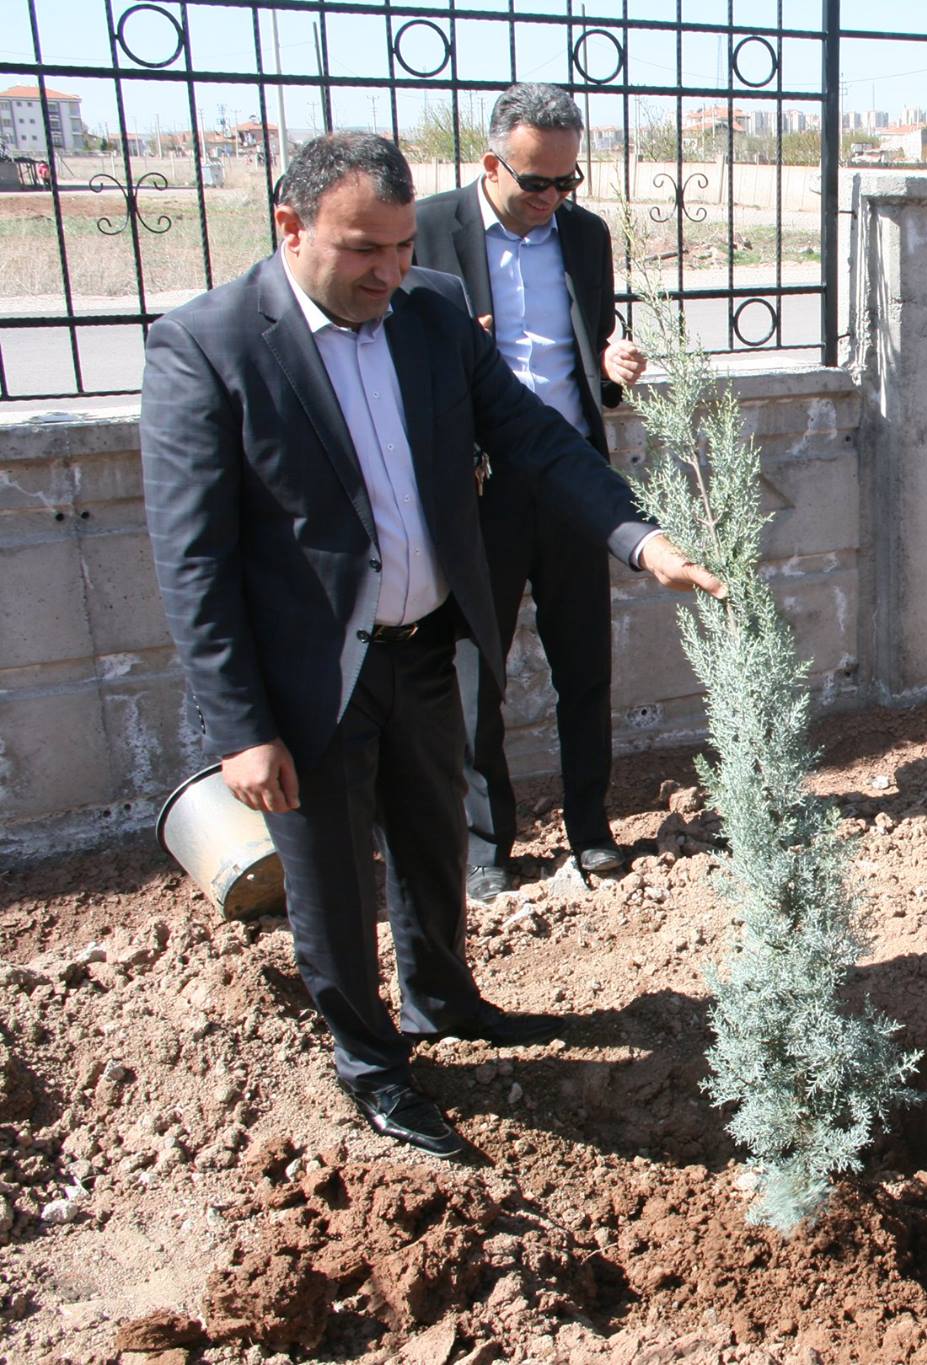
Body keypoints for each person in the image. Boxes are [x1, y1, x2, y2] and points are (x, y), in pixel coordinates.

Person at [140, 132, 721, 1159]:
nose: (391, 271)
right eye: (366, 249)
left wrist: (638, 537)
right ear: (290, 227)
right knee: (331, 883)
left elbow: (534, 437)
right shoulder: (210, 343)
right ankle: (373, 1067)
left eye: (405, 247)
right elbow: (195, 561)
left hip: (424, 645)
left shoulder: (432, 316)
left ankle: (443, 1003)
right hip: (309, 679)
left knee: (432, 845)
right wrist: (242, 728)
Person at [411, 83, 647, 901]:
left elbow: (593, 352)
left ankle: (590, 829)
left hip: (571, 475)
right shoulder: (429, 232)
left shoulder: (583, 236)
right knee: (480, 674)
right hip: (478, 487)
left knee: (584, 661)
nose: (553, 199)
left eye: (567, 182)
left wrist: (614, 374)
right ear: (490, 165)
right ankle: (486, 844)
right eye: (536, 182)